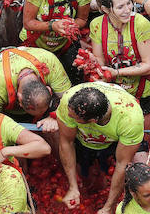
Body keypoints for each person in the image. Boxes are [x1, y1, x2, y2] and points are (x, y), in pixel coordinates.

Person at [56, 82, 145, 213]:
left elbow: (122, 164)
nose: (68, 116)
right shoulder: (69, 102)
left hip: (115, 140)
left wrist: (109, 207)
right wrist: (72, 187)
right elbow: (66, 142)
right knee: (87, 174)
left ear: (91, 121)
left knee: (127, 171)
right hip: (83, 140)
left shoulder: (130, 119)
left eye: (73, 118)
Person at [89, 0, 150, 127]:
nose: (128, 10)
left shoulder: (141, 24)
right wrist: (95, 67)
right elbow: (100, 60)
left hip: (143, 91)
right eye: (120, 7)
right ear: (105, 10)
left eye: (129, 3)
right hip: (114, 92)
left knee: (142, 140)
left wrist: (117, 72)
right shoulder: (97, 25)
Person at [20, 0, 91, 82]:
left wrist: (68, 26)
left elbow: (82, 19)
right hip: (36, 43)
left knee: (75, 76)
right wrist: (53, 26)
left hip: (64, 44)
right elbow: (28, 23)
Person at [0, 46, 72, 130]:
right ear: (19, 99)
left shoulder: (49, 62)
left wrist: (54, 117)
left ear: (49, 90)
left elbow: (69, 98)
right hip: (10, 112)